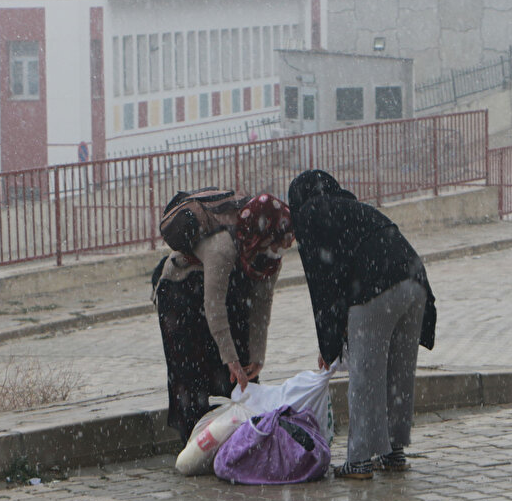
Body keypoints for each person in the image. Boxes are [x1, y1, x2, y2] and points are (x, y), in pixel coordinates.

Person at [287, 170, 436, 480]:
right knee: (398, 375)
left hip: (375, 288)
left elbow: (324, 283)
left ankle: (358, 461)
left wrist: (328, 342)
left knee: (366, 377)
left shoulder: (311, 215)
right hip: (415, 282)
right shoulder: (355, 208)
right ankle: (393, 452)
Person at [152, 193, 292, 442]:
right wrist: (231, 359)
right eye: (276, 243)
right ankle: (195, 443)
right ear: (262, 234)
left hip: (226, 296)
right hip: (181, 293)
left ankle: (235, 440)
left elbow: (261, 304)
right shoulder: (223, 245)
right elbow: (213, 306)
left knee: (240, 373)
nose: (280, 250)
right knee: (191, 374)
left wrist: (257, 356)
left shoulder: (269, 255)